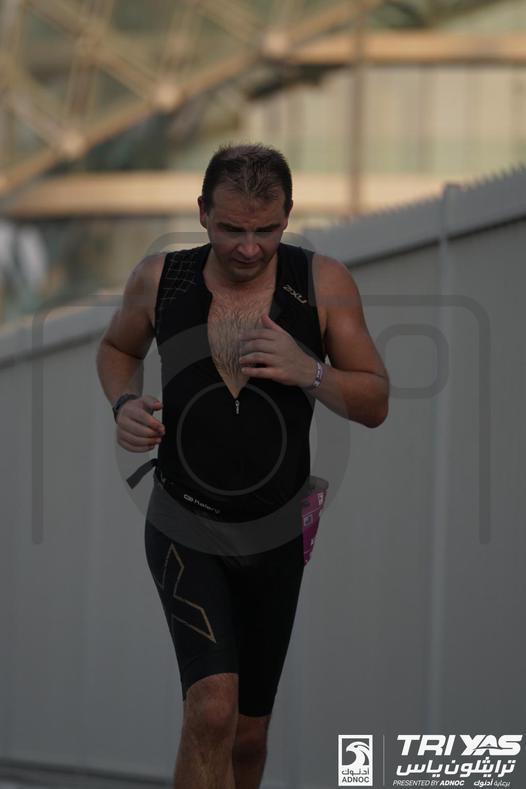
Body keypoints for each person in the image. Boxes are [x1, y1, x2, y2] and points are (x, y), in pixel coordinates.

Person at [96, 143, 389, 789]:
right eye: (231, 229)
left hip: (275, 531)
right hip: (184, 520)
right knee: (212, 710)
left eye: (267, 230)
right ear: (202, 212)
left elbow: (375, 401)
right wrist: (123, 403)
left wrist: (310, 370)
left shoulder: (323, 284)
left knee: (249, 736)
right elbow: (117, 347)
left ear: (289, 215)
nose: (249, 248)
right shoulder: (161, 279)